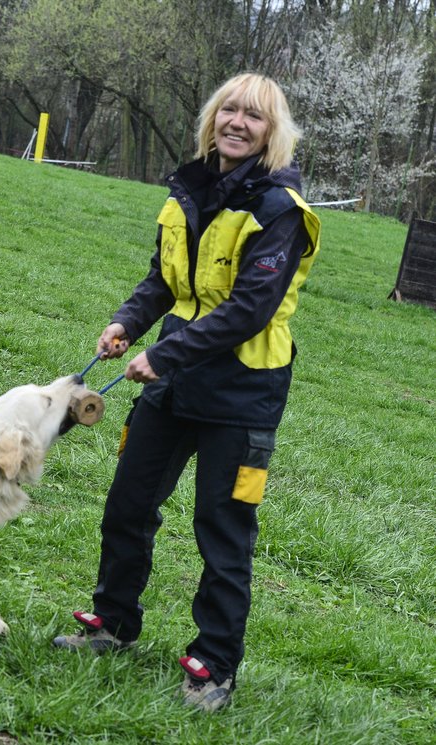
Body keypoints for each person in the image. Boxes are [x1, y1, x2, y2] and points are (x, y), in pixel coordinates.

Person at [53, 73, 321, 712]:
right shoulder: (189, 188)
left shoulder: (281, 210)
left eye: (253, 116)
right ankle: (113, 626)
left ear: (272, 132)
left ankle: (214, 667)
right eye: (228, 109)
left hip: (243, 394)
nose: (237, 122)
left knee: (223, 531)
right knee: (127, 505)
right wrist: (126, 322)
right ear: (211, 118)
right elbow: (163, 279)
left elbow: (249, 310)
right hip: (172, 382)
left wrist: (162, 354)